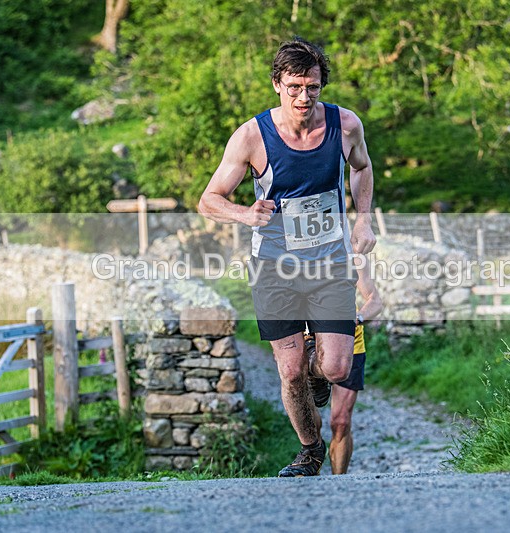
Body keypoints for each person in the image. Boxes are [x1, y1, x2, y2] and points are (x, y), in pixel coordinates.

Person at [198, 37, 377, 477]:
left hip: (330, 263)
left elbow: (362, 167)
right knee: (291, 370)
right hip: (274, 267)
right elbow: (208, 200)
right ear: (277, 84)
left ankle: (321, 370)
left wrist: (364, 219)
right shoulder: (251, 137)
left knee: (335, 367)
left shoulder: (345, 124)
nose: (304, 97)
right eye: (294, 86)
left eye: (313, 87)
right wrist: (245, 212)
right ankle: (310, 448)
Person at [308, 258, 382, 474]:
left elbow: (375, 301)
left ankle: (339, 482)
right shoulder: (296, 252)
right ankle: (312, 472)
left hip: (350, 344)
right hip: (310, 344)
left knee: (340, 422)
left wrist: (357, 318)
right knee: (312, 425)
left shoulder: (353, 257)